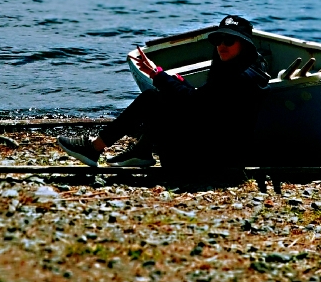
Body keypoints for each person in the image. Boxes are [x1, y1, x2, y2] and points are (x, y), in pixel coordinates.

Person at [57, 14, 270, 170]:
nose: (221, 46)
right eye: (218, 41)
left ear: (243, 45)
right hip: (222, 156)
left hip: (211, 163)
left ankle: (96, 148)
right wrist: (175, 82)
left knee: (155, 98)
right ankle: (141, 150)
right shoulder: (244, 71)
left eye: (229, 41)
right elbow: (205, 104)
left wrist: (158, 75)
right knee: (165, 96)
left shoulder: (238, 78)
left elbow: (195, 104)